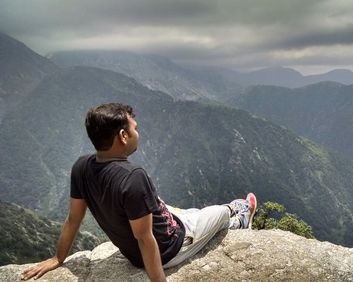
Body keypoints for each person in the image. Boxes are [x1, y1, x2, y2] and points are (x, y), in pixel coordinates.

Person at [21, 103, 257, 282]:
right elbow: (145, 239)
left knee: (179, 209)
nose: (137, 133)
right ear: (123, 136)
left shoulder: (81, 167)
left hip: (142, 245)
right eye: (134, 128)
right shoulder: (133, 177)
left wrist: (58, 258)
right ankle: (239, 216)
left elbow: (74, 218)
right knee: (216, 212)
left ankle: (207, 218)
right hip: (172, 248)